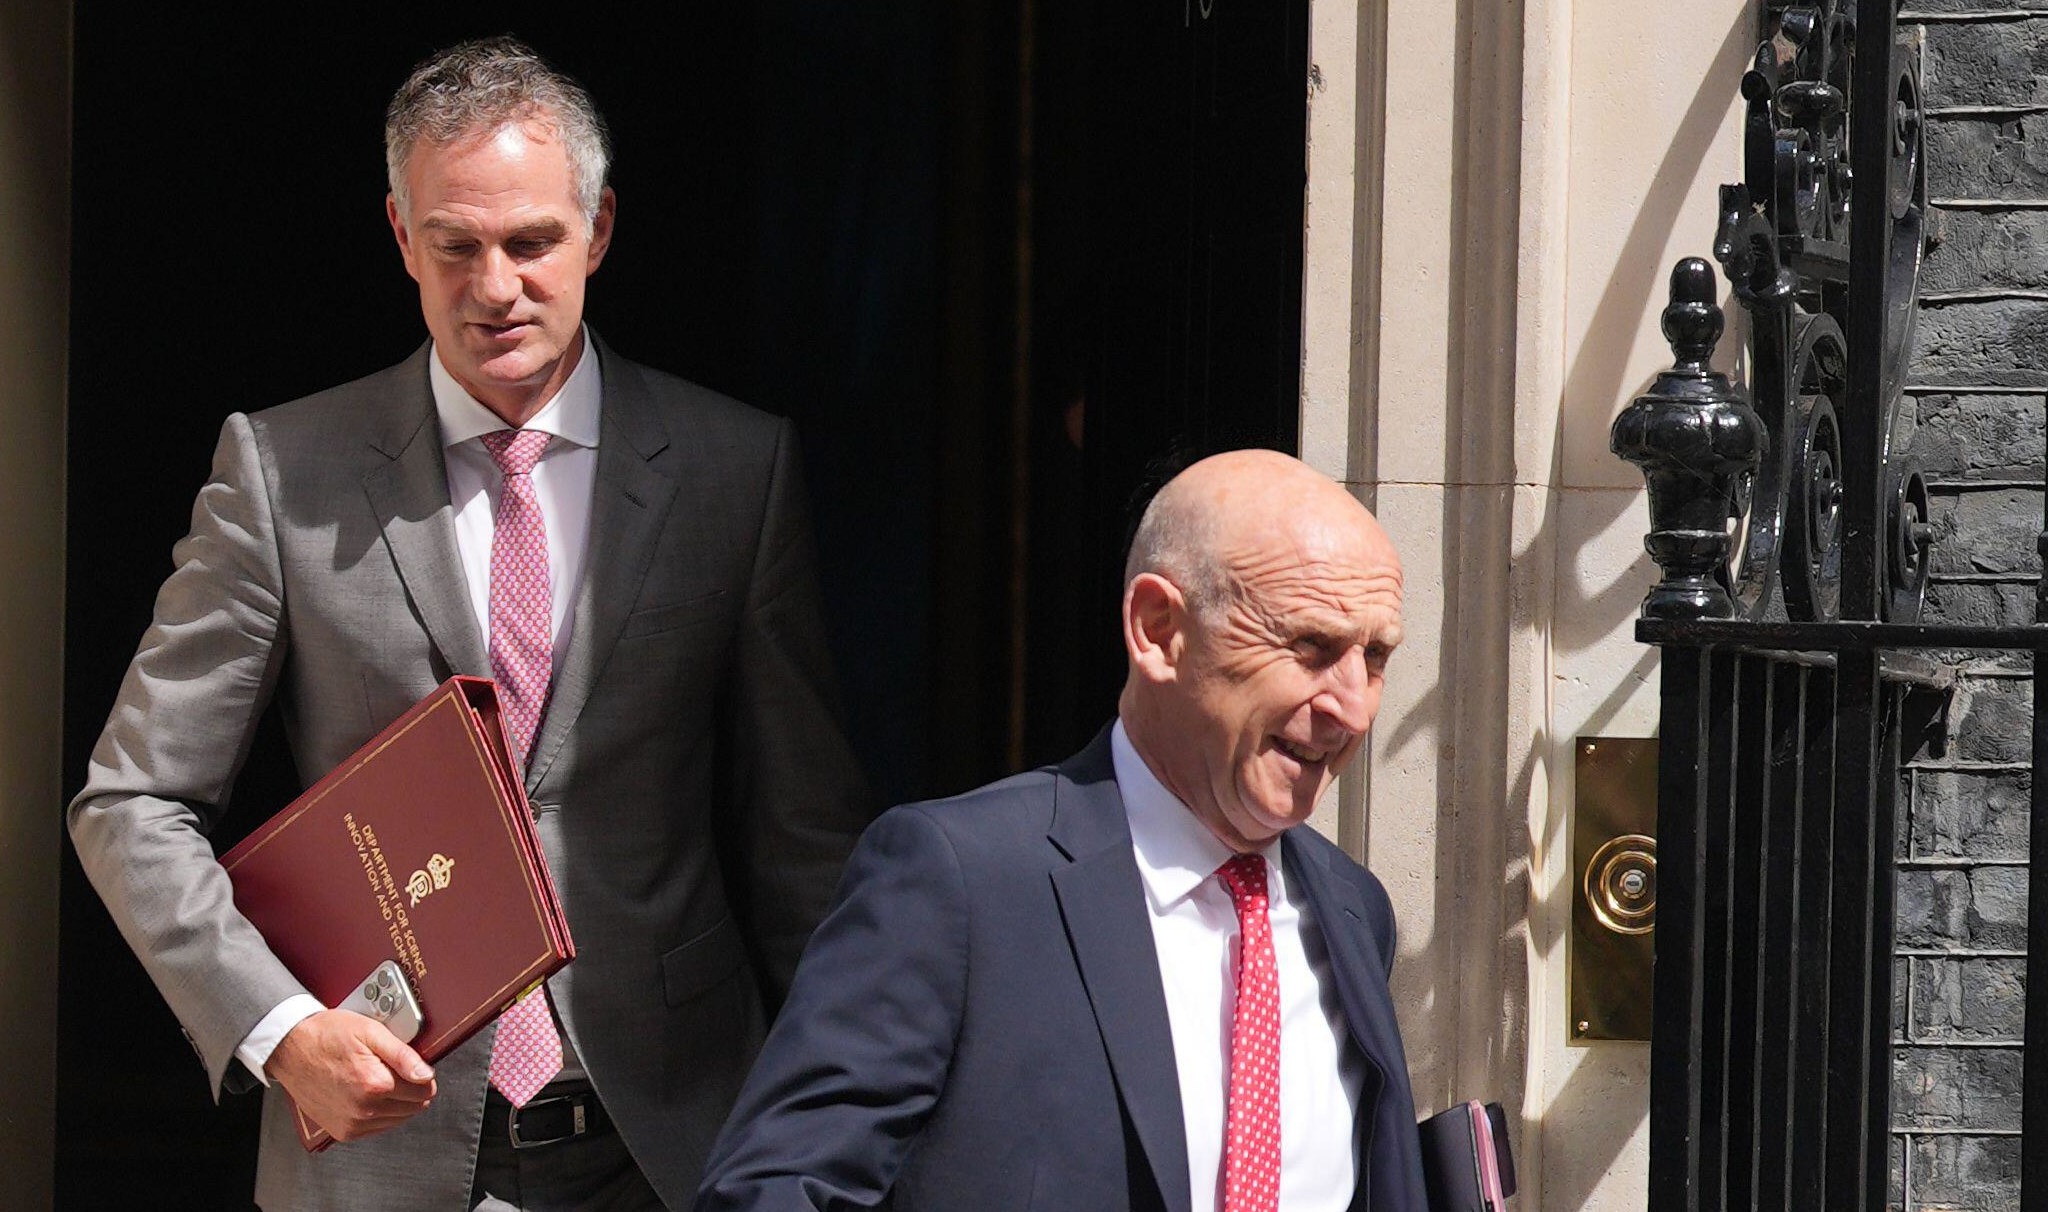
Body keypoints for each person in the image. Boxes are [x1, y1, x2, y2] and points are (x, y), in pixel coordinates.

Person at [67, 36, 870, 1212]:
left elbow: (802, 839)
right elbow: (131, 803)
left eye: (533, 242)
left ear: (597, 231)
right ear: (401, 236)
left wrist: (834, 1130)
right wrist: (282, 1030)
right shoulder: (286, 472)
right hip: (383, 1149)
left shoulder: (730, 470)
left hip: (670, 1147)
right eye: (456, 245)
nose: (496, 286)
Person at [696, 449, 1428, 1211]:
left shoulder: (1353, 912)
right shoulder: (961, 883)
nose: (1352, 706)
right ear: (1158, 630)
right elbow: (773, 1190)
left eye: (1374, 657)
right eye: (1309, 647)